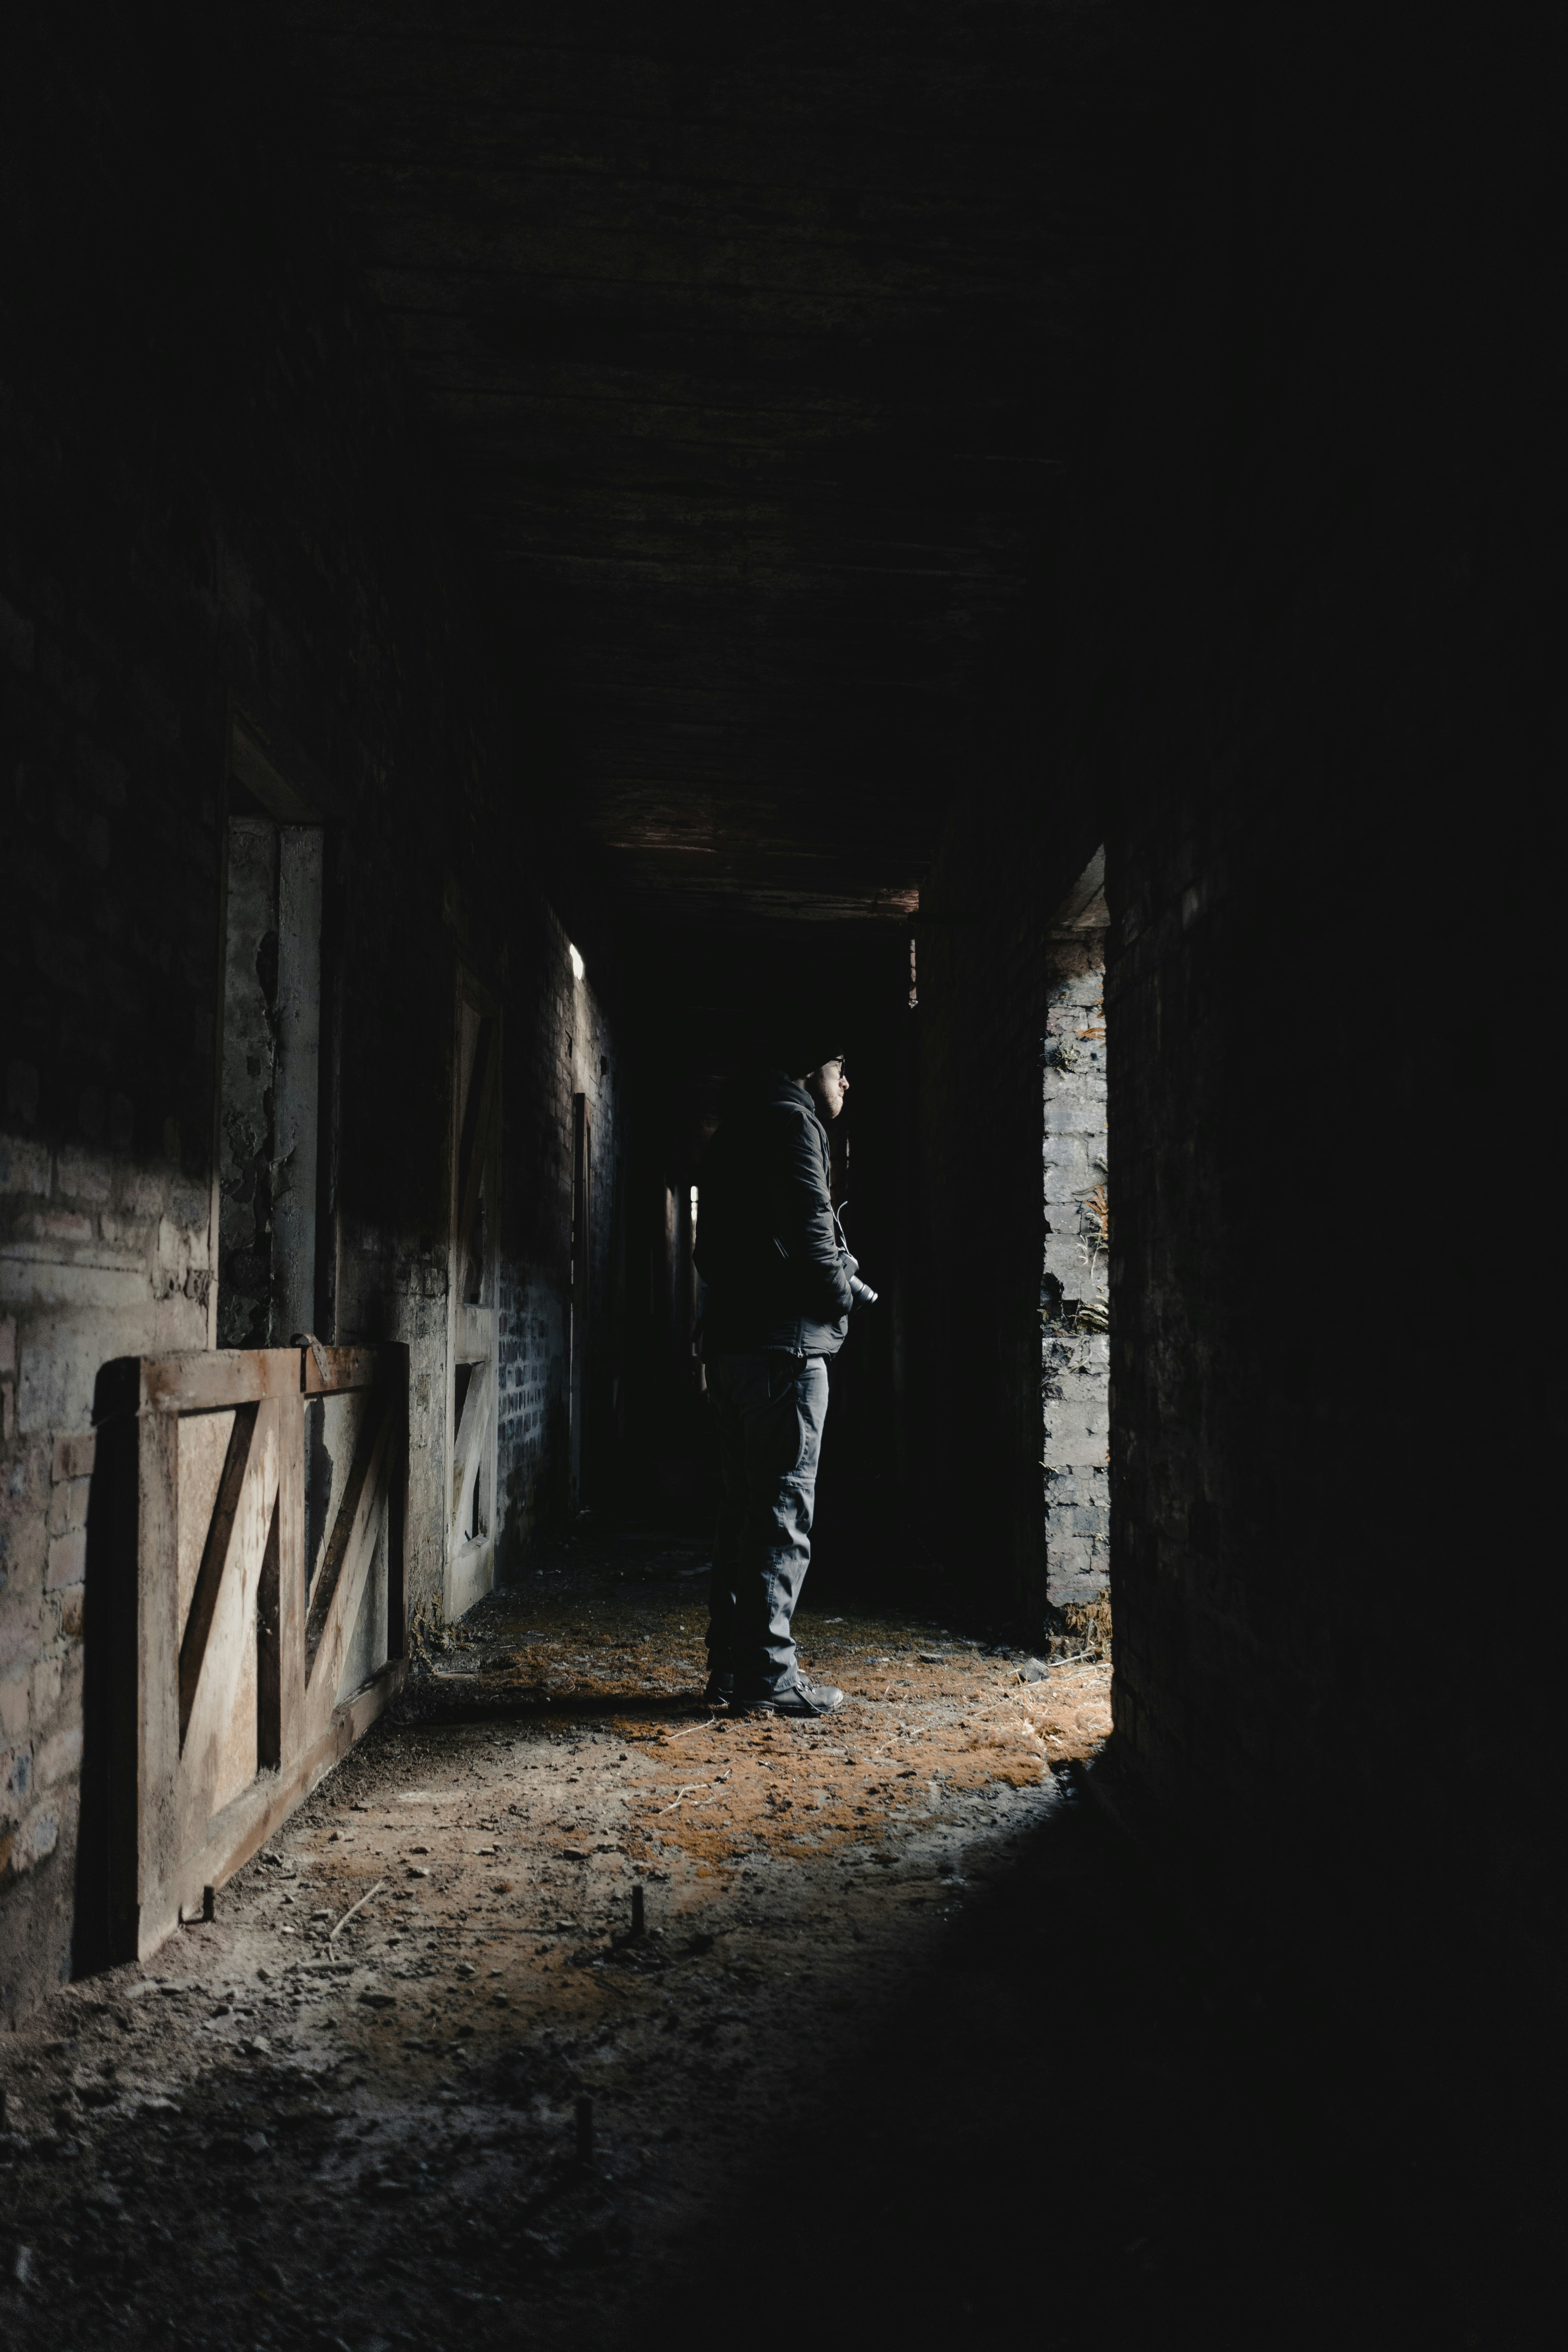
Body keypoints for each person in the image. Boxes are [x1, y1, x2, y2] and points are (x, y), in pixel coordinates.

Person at [694, 1051, 863, 1716]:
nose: (845, 1082)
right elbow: (814, 1233)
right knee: (781, 1513)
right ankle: (767, 1675)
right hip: (782, 1351)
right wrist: (841, 1295)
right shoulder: (793, 1123)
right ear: (804, 1069)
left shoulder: (734, 1126)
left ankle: (730, 1671)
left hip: (733, 1349)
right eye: (838, 1065)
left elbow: (710, 1253)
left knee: (741, 1512)